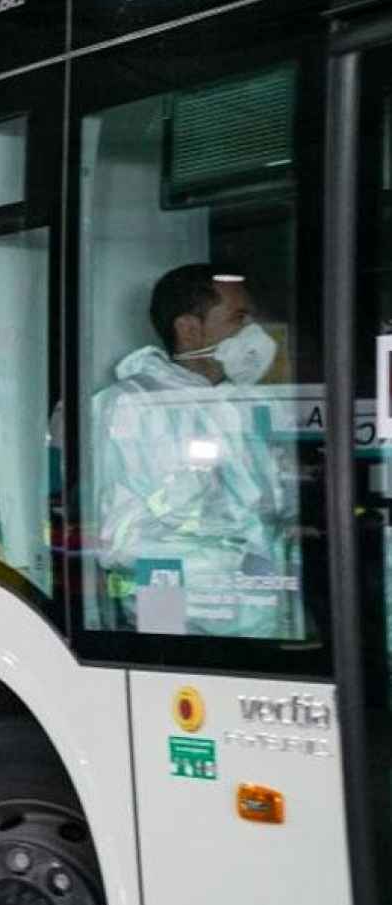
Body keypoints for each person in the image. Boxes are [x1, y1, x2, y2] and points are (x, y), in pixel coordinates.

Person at [92, 263, 294, 638]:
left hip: (261, 618)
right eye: (238, 319)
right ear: (188, 329)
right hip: (179, 618)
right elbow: (122, 540)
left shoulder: (245, 406)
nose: (254, 334)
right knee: (169, 691)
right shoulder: (129, 406)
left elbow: (268, 510)